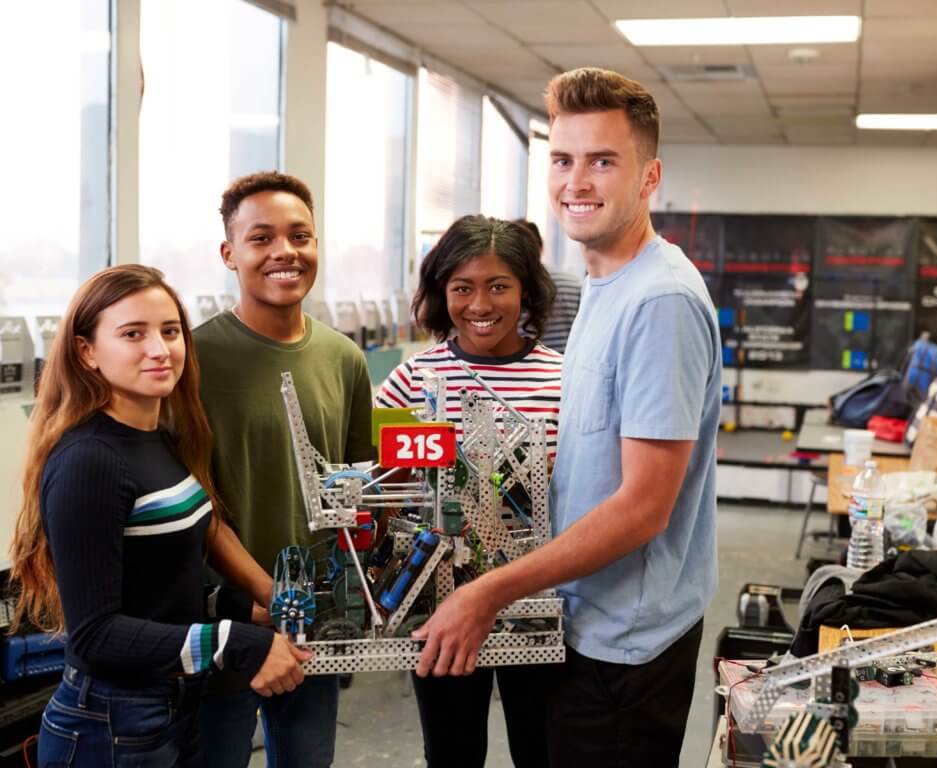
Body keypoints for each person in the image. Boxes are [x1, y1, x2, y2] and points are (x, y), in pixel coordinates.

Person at [410, 68, 722, 768]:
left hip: (625, 648)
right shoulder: (603, 286)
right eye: (562, 159)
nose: (576, 181)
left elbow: (644, 508)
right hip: (583, 622)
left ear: (648, 178)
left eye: (602, 161)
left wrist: (486, 591)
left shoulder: (658, 303)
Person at [9, 265, 307, 767]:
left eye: (170, 331)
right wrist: (236, 643)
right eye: (133, 334)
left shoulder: (158, 438)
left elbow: (156, 584)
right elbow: (96, 634)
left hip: (171, 708)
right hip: (109, 724)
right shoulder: (90, 460)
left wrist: (241, 607)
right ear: (87, 352)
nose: (159, 349)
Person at [194, 172, 376, 767]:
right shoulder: (190, 360)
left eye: (300, 235)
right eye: (261, 238)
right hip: (221, 615)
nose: (284, 253)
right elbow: (189, 505)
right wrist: (263, 596)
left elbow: (353, 491)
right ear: (229, 253)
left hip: (313, 619)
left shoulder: (344, 358)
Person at [376, 214, 560, 768]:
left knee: (544, 748)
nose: (480, 304)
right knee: (452, 752)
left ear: (526, 290)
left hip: (538, 596)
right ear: (441, 293)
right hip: (444, 602)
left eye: (499, 286)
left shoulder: (564, 379)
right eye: (462, 288)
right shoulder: (412, 381)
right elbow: (387, 488)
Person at [513, 218, 582, 354]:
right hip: (569, 364)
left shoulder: (511, 287)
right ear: (541, 246)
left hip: (528, 367)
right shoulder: (573, 283)